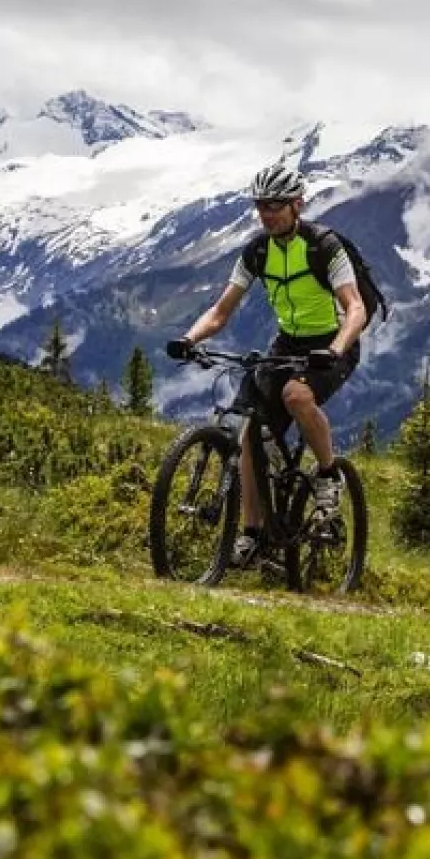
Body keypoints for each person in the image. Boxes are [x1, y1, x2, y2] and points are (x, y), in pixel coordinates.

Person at [166, 162, 369, 568]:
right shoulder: (257, 251)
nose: (267, 214)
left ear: (298, 204)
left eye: (276, 205)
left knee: (297, 394)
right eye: (261, 206)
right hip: (286, 343)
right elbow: (221, 311)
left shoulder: (324, 246)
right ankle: (252, 535)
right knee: (249, 437)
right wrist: (190, 338)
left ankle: (329, 476)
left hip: (332, 343)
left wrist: (335, 348)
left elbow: (356, 308)